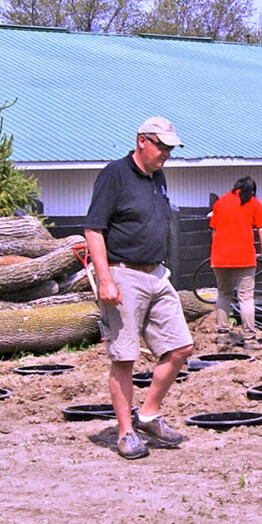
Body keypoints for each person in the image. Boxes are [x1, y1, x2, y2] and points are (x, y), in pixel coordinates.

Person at [83, 116, 193, 460]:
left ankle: (147, 414)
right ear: (141, 141)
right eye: (161, 146)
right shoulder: (114, 175)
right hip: (123, 274)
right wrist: (105, 280)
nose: (166, 154)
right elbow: (93, 230)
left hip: (157, 273)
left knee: (180, 348)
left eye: (170, 149)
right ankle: (126, 433)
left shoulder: (157, 177)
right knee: (124, 356)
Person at [209, 176, 262, 345]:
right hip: (244, 258)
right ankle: (250, 339)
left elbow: (214, 232)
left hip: (220, 258)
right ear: (251, 190)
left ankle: (222, 335)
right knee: (246, 298)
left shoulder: (220, 202)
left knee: (223, 294)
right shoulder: (254, 203)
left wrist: (216, 253)